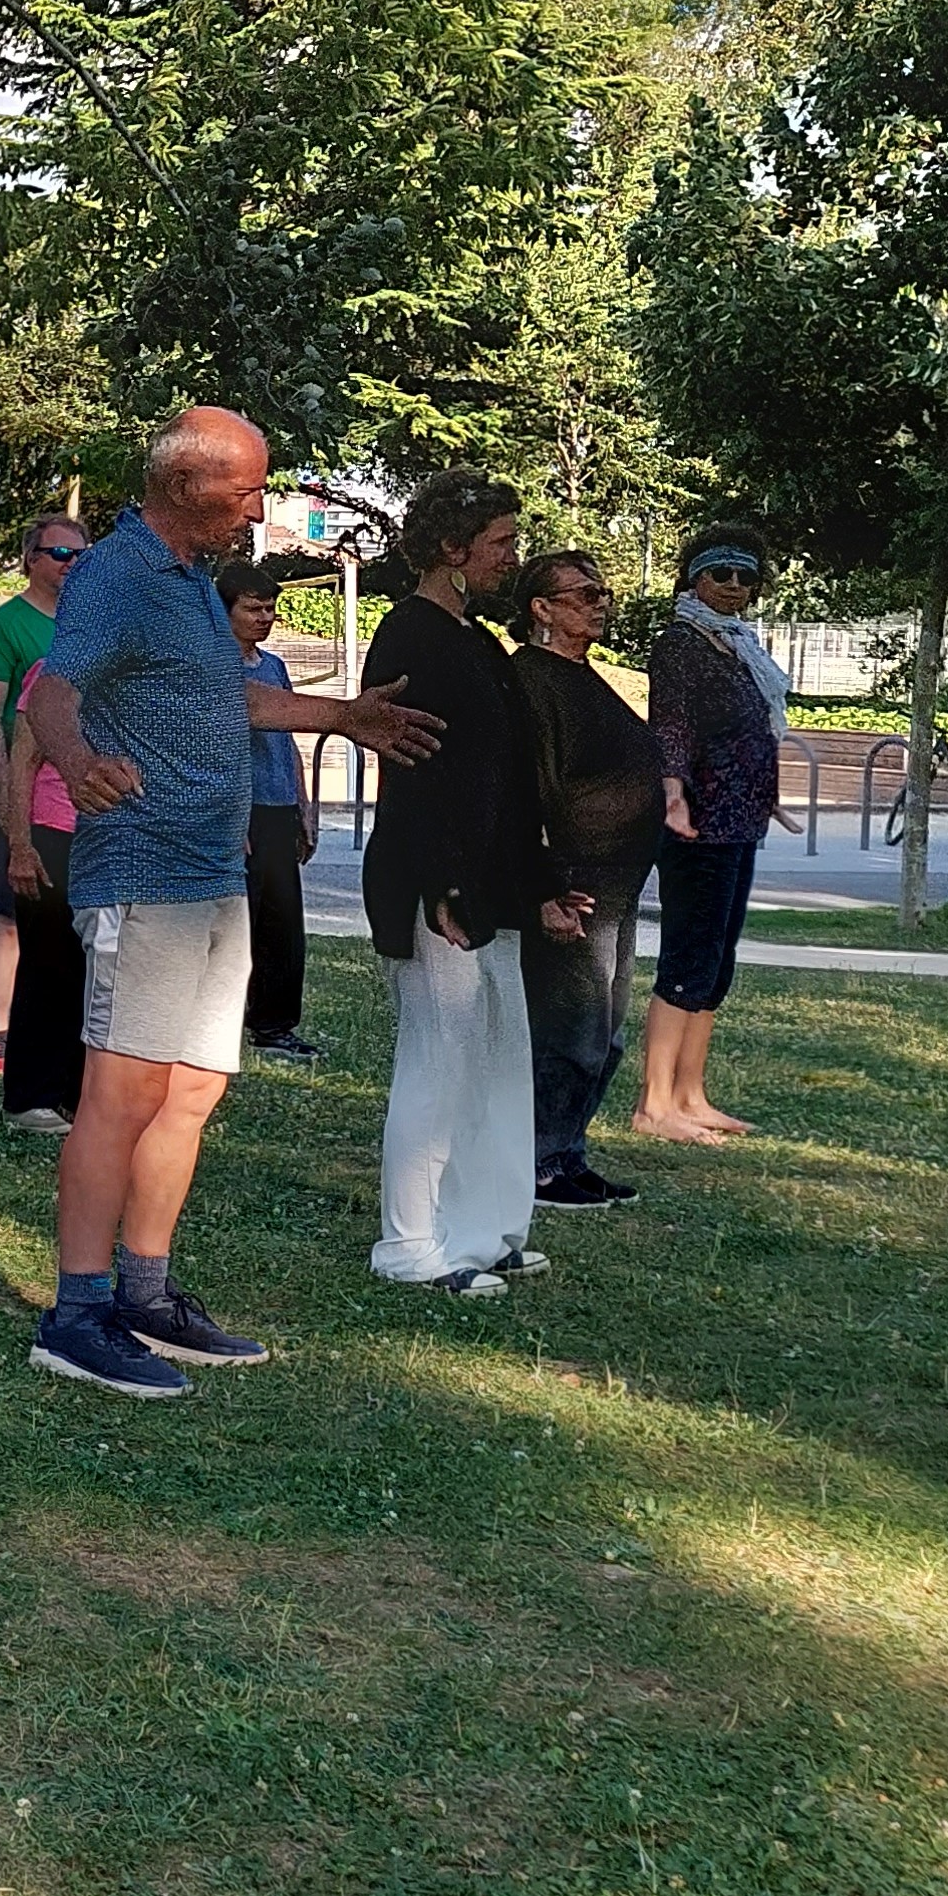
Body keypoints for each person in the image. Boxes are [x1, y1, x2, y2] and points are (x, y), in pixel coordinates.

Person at [15, 410, 441, 1396]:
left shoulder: (193, 585)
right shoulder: (117, 574)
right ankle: (75, 1314)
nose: (259, 509)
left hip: (215, 869)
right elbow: (50, 691)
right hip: (142, 872)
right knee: (120, 1093)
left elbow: (227, 701)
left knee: (194, 1088)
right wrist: (78, 765)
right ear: (189, 486)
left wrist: (341, 716)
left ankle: (145, 1296)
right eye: (246, 490)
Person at [360, 474, 586, 1295]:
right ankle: (411, 1246)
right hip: (434, 885)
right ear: (453, 550)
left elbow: (509, 784)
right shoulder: (411, 637)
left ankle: (484, 1230)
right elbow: (417, 776)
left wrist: (538, 889)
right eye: (501, 542)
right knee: (439, 1061)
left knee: (495, 1056)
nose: (512, 558)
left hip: (488, 883)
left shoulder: (478, 643)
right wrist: (445, 887)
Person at [511, 549, 661, 1211]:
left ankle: (568, 1150)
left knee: (607, 1028)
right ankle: (538, 1162)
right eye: (584, 594)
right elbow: (532, 788)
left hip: (621, 876)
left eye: (604, 593)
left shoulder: (583, 674)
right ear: (542, 608)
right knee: (572, 1026)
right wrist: (544, 888)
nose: (601, 603)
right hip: (579, 879)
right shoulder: (534, 679)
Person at [640, 535, 794, 1142]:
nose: (733, 584)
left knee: (717, 961)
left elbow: (749, 732)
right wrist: (673, 791)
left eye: (745, 576)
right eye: (720, 573)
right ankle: (655, 1105)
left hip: (739, 818)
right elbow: (670, 722)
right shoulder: (681, 642)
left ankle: (690, 1094)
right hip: (697, 823)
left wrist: (765, 794)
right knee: (688, 955)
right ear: (694, 579)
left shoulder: (738, 646)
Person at [0, 516, 87, 1096]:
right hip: (25, 796)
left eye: (80, 555)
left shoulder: (89, 627)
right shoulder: (5, 628)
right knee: (14, 916)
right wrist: (5, 787)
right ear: (31, 559)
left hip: (82, 803)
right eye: (60, 552)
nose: (71, 563)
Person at [0, 538, 100, 1138]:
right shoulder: (49, 675)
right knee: (49, 968)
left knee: (93, 973)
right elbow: (21, 764)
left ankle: (77, 1095)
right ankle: (29, 1095)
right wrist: (21, 845)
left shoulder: (127, 679)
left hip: (105, 843)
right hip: (53, 833)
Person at [224, 555, 323, 1066]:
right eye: (253, 608)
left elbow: (287, 740)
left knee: (284, 924)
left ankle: (275, 1025)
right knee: (238, 922)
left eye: (270, 609)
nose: (264, 618)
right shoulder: (213, 664)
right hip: (238, 810)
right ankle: (224, 1020)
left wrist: (305, 806)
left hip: (280, 807)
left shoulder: (275, 667)